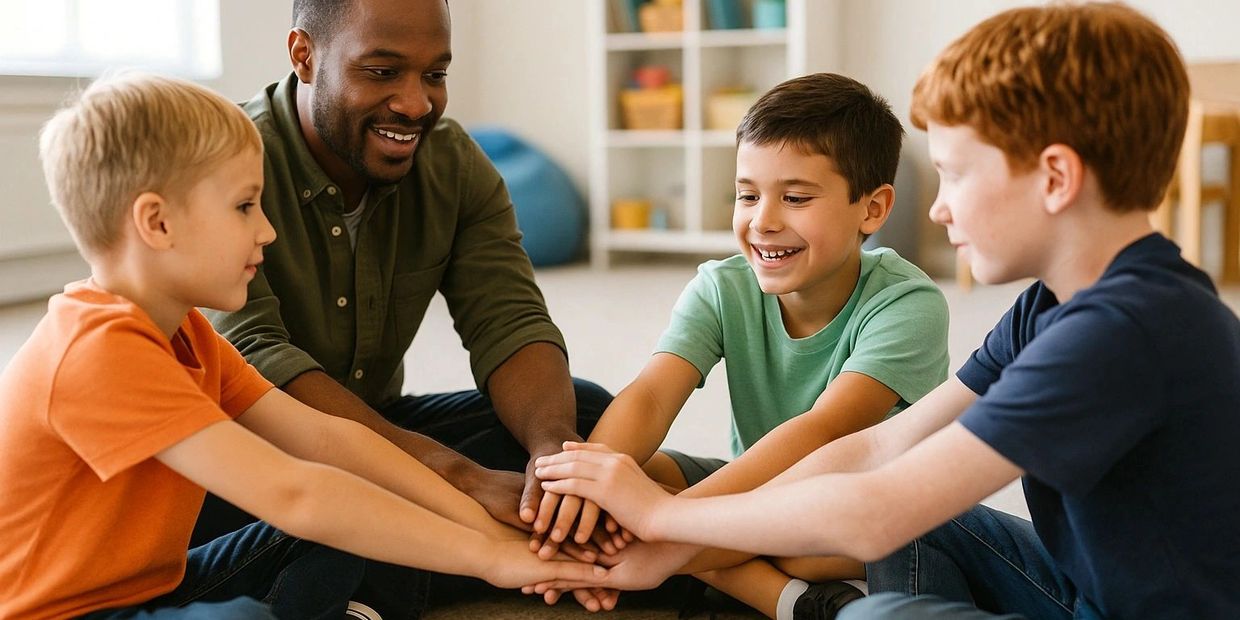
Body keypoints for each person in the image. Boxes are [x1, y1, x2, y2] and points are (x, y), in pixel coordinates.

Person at [531, 3, 1240, 619]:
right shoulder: (1048, 308)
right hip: (1087, 588)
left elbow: (874, 517)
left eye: (956, 174)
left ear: (1055, 176)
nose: (937, 206)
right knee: (921, 521)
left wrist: (661, 522)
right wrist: (672, 542)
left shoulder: (1121, 333)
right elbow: (873, 451)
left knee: (884, 612)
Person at [0, 72, 603, 620]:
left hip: (155, 590)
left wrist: (492, 535)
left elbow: (327, 440)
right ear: (157, 223)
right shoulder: (98, 350)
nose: (266, 230)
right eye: (243, 206)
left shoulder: (191, 336)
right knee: (247, 606)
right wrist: (486, 559)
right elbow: (296, 492)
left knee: (347, 519)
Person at [200, 0, 615, 611]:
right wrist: (455, 478)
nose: (416, 103)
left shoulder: (454, 163)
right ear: (304, 56)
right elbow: (255, 362)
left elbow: (510, 319)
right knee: (327, 514)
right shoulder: (224, 165)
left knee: (582, 416)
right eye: (382, 71)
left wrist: (551, 456)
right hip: (249, 456)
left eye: (435, 74)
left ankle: (444, 553)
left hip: (381, 431)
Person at [531, 72, 950, 619]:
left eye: (795, 198)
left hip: (858, 502)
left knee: (822, 542)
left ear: (871, 209)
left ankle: (736, 570)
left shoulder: (909, 304)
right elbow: (653, 394)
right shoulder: (721, 286)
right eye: (747, 195)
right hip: (757, 489)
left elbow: (822, 433)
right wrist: (589, 495)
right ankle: (793, 602)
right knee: (643, 475)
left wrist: (666, 525)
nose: (763, 221)